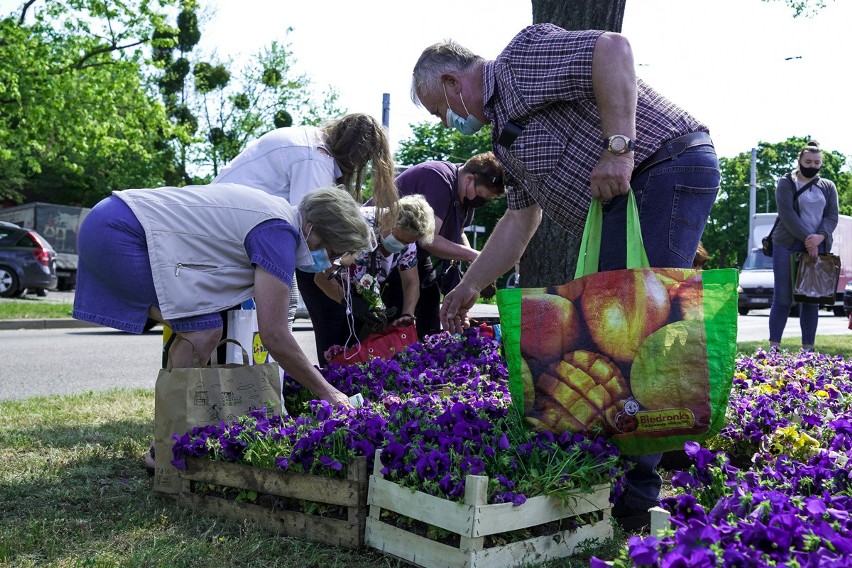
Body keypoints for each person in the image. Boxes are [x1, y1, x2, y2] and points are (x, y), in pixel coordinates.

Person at [411, 24, 721, 531]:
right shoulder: (504, 137)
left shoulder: (520, 59)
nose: (448, 122)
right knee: (624, 332)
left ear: (451, 81)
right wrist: (469, 287)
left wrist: (619, 147)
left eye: (440, 109)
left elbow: (614, 49)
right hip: (632, 192)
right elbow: (519, 220)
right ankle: (663, 450)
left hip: (659, 165)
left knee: (643, 330)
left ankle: (635, 496)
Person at [72, 185, 373, 468]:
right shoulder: (279, 232)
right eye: (333, 252)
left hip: (110, 219)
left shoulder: (278, 218)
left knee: (203, 327)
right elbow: (275, 335)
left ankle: (170, 440)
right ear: (315, 230)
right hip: (118, 232)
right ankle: (165, 449)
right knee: (201, 330)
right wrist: (329, 393)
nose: (329, 262)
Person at [212, 113, 398, 333]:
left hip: (230, 227)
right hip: (229, 235)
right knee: (268, 325)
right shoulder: (314, 160)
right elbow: (311, 235)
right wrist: (349, 299)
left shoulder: (310, 142)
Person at [380, 152, 505, 339]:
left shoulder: (464, 197)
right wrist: (473, 255)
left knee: (430, 305)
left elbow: (458, 233)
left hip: (412, 253)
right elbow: (428, 240)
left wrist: (474, 265)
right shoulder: (439, 179)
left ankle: (428, 352)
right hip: (386, 248)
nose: (480, 202)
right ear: (469, 179)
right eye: (480, 195)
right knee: (397, 310)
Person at [313, 194, 436, 360]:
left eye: (407, 243)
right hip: (324, 282)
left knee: (357, 351)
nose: (401, 246)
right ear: (388, 219)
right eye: (399, 239)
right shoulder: (356, 225)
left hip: (357, 288)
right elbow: (322, 276)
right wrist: (350, 303)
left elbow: (411, 282)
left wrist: (407, 314)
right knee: (333, 346)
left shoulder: (407, 242)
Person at [768, 140, 839, 352]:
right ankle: (772, 350)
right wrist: (809, 238)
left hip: (819, 244)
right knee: (782, 298)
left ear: (821, 164)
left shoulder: (828, 186)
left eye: (816, 162)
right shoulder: (785, 182)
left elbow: (832, 215)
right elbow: (787, 214)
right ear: (799, 161)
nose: (812, 164)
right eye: (808, 160)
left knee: (811, 299)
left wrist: (820, 236)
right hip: (787, 244)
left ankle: (808, 350)